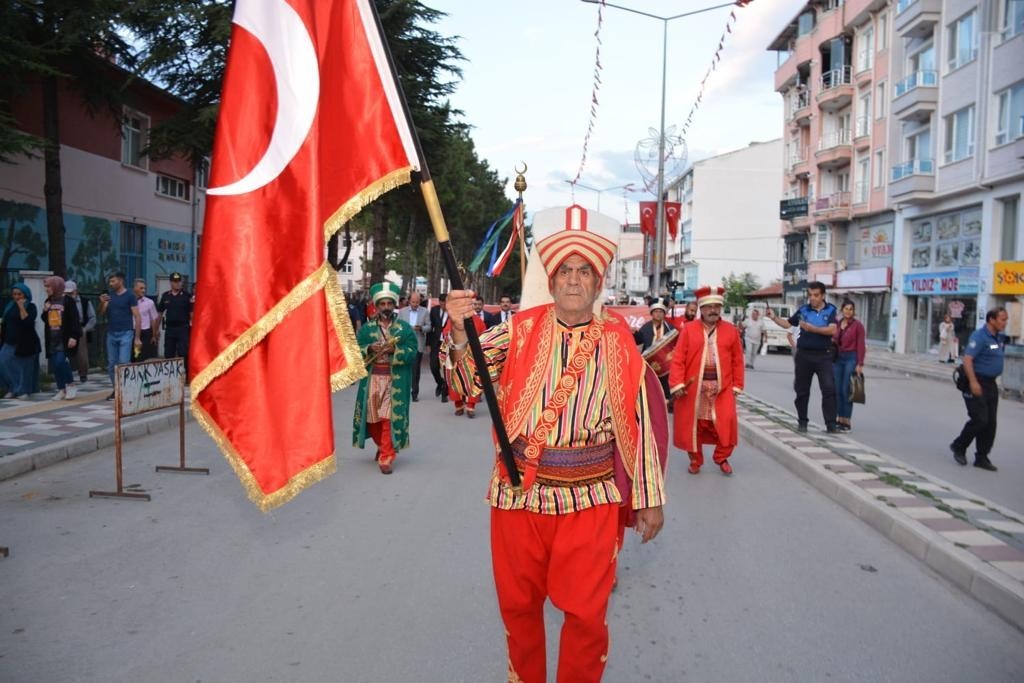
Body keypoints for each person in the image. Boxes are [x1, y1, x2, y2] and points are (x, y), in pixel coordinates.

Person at [443, 227, 665, 683]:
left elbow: (639, 423)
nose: (573, 280)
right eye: (565, 270)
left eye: (585, 272)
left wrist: (649, 496)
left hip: (591, 497)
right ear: (552, 280)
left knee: (585, 616)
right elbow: (465, 384)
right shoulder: (518, 332)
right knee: (519, 609)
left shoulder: (620, 341)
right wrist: (462, 333)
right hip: (517, 494)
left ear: (598, 284)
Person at [669, 285, 745, 475]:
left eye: (716, 307)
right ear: (701, 309)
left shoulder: (731, 331)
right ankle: (695, 460)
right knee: (693, 427)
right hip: (694, 388)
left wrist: (737, 385)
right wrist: (677, 383)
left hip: (722, 388)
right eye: (709, 307)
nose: (713, 310)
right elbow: (678, 359)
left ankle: (721, 457)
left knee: (726, 422)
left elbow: (738, 360)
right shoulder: (688, 330)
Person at [351, 282, 417, 474]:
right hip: (372, 380)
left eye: (389, 304)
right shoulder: (366, 328)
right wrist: (369, 348)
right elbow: (356, 350)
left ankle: (387, 455)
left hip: (394, 380)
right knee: (372, 419)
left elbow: (412, 351)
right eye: (383, 304)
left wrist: (396, 349)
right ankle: (382, 445)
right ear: (376, 306)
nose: (386, 307)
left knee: (387, 417)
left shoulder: (404, 328)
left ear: (394, 305)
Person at [766, 282, 839, 433]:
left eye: (816, 295)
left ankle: (831, 424)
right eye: (810, 295)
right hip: (804, 355)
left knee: (829, 389)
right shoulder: (803, 310)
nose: (812, 298)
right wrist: (774, 317)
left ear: (823, 295)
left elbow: (832, 330)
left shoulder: (831, 309)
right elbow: (787, 324)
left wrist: (813, 329)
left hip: (824, 355)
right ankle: (802, 422)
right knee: (802, 390)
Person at [950, 308, 1009, 472]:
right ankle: (959, 445)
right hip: (976, 382)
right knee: (980, 419)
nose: (1005, 323)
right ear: (991, 320)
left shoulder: (997, 338)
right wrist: (974, 382)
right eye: (1003, 319)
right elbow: (968, 359)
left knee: (990, 423)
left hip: (991, 384)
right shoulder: (979, 336)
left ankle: (982, 457)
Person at [98, 271, 142, 400]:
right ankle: (116, 389)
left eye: (113, 281)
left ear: (121, 281)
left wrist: (137, 337)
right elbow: (100, 313)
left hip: (126, 333)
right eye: (110, 282)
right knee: (112, 364)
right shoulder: (109, 296)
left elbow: (137, 316)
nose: (111, 284)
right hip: (111, 333)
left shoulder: (130, 295)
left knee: (123, 362)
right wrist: (103, 303)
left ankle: (126, 389)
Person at [40, 276, 82, 400]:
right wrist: (44, 311)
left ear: (56, 287)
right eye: (46, 287)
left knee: (60, 362)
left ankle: (71, 384)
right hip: (52, 338)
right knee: (55, 365)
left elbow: (75, 320)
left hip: (64, 338)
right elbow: (45, 320)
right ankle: (61, 389)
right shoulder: (48, 301)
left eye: (48, 286)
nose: (47, 289)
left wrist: (74, 336)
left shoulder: (68, 301)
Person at [0, 283, 41, 399]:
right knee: (3, 362)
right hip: (9, 340)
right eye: (14, 294)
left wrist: (21, 307)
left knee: (24, 367)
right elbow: (5, 322)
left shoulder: (31, 307)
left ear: (26, 295)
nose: (17, 297)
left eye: (19, 294)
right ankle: (13, 387)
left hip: (26, 342)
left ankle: (23, 390)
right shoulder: (9, 306)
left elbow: (27, 322)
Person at [443, 309, 485, 417]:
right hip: (456, 354)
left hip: (472, 355)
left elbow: (484, 335)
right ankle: (459, 405)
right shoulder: (453, 319)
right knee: (456, 380)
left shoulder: (477, 320)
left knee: (472, 381)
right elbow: (446, 333)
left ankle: (471, 407)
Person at [832, 300, 866, 432]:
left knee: (847, 390)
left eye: (851, 309)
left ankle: (847, 421)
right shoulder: (838, 324)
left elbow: (861, 345)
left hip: (851, 358)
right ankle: (839, 419)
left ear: (854, 311)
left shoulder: (858, 326)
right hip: (838, 359)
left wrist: (860, 363)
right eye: (846, 309)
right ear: (842, 310)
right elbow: (834, 340)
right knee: (837, 390)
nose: (848, 311)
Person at [397, 292, 431, 402]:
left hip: (418, 345)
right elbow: (397, 326)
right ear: (409, 301)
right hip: (405, 345)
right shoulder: (402, 312)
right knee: (404, 368)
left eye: (417, 302)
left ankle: (414, 393)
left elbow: (429, 327)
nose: (415, 304)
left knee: (415, 370)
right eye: (413, 302)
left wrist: (421, 328)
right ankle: (403, 391)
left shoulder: (425, 311)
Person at [157, 272, 192, 373]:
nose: (177, 284)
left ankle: (184, 374)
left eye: (179, 281)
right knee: (168, 353)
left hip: (183, 329)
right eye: (175, 282)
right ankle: (169, 375)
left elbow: (191, 314)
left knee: (183, 352)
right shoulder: (165, 296)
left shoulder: (187, 296)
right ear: (171, 282)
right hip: (170, 329)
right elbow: (159, 314)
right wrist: (155, 330)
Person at [65, 281, 96, 383]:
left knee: (81, 354)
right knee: (65, 353)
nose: (69, 295)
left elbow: (92, 317)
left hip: (80, 328)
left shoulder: (85, 301)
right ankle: (67, 374)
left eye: (71, 293)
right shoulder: (63, 301)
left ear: (76, 291)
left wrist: (85, 329)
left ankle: (83, 373)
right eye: (67, 293)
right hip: (66, 328)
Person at [428, 293, 449, 402]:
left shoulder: (452, 312)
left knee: (446, 368)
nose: (444, 304)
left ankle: (444, 394)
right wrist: (428, 344)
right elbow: (430, 326)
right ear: (440, 302)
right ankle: (440, 383)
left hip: (448, 344)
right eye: (442, 302)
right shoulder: (434, 310)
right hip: (436, 343)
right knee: (433, 366)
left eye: (446, 302)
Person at [133, 279, 160, 360]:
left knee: (140, 356)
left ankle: (140, 370)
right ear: (135, 288)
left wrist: (154, 335)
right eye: (141, 288)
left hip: (145, 333)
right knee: (133, 356)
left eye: (144, 288)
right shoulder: (129, 301)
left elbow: (153, 319)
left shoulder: (149, 302)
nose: (143, 290)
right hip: (131, 332)